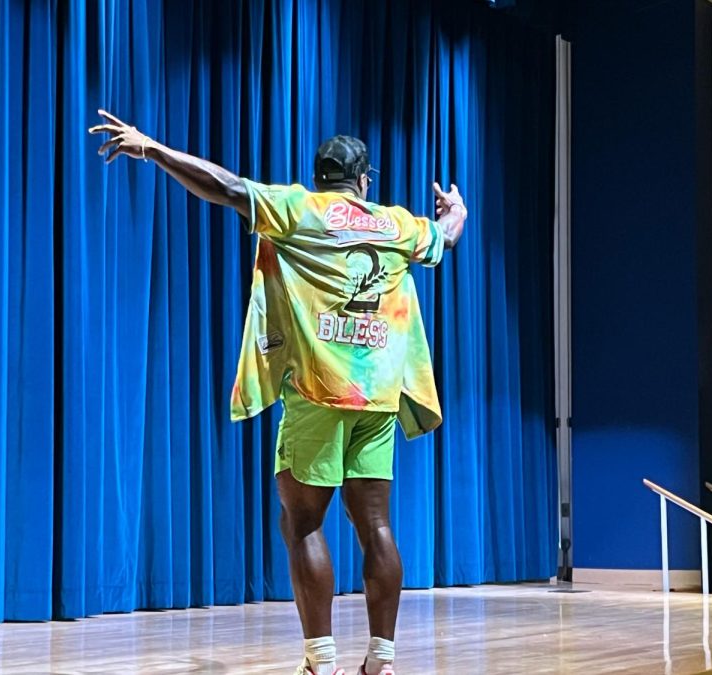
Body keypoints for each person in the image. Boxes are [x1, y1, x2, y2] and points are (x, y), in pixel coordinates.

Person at [89, 110, 466, 675]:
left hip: (318, 391)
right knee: (377, 526)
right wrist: (456, 211)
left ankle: (321, 660)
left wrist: (153, 149)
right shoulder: (396, 224)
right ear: (364, 180)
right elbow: (446, 237)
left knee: (304, 523)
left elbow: (226, 187)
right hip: (379, 396)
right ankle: (383, 661)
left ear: (321, 178)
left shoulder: (300, 208)